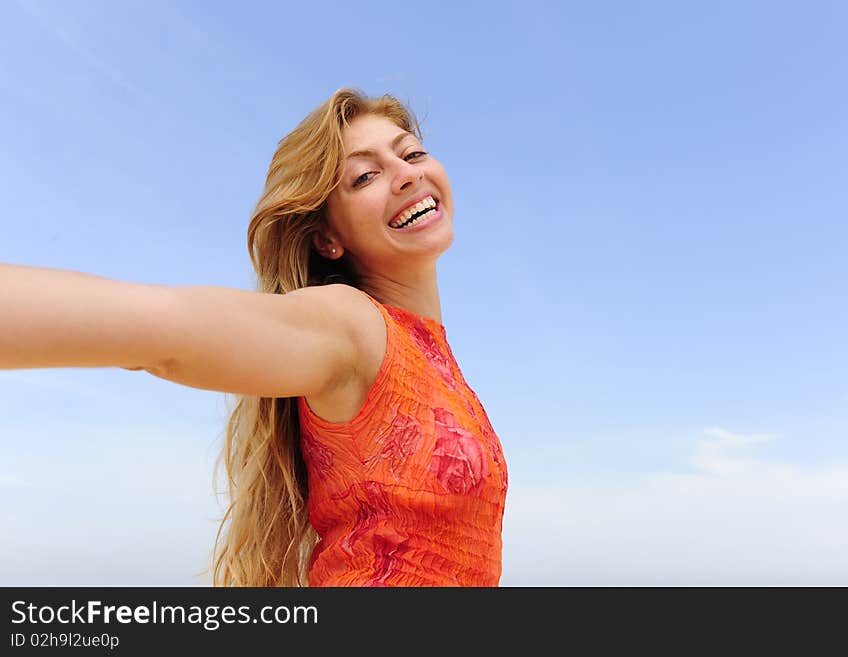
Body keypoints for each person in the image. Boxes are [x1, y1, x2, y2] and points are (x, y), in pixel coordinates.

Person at [0, 88, 508, 587]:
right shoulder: (351, 328)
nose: (407, 174)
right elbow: (164, 329)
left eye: (412, 153)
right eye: (365, 176)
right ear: (328, 239)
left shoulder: (432, 355)